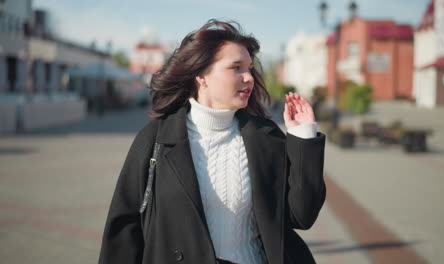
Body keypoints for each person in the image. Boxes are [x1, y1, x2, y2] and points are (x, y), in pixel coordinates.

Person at [98, 19, 326, 264]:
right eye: (236, 67)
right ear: (201, 75)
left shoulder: (265, 137)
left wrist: (303, 136)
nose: (249, 77)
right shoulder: (156, 139)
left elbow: (301, 215)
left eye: (249, 68)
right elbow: (124, 228)